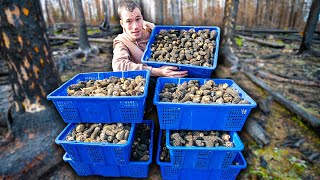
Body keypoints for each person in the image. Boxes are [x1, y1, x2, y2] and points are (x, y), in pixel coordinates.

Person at [112, 1, 188, 78]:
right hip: (146, 81)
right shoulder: (121, 41)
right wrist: (157, 71)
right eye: (128, 21)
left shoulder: (152, 30)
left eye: (138, 19)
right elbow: (118, 66)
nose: (135, 26)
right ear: (122, 24)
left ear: (142, 18)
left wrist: (155, 30)